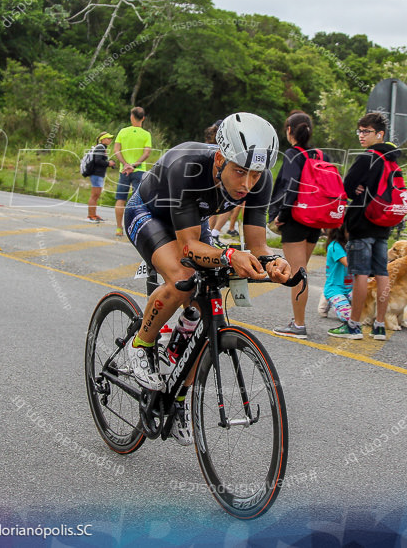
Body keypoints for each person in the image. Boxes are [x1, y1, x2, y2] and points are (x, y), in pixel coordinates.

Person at [122, 112, 291, 445]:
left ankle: (179, 395)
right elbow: (188, 248)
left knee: (206, 306)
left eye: (256, 175)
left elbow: (257, 244)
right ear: (219, 158)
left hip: (189, 220)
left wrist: (273, 262)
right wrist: (230, 255)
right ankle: (141, 344)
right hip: (149, 213)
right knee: (183, 278)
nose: (247, 185)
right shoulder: (186, 164)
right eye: (240, 171)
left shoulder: (259, 180)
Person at [334, 112, 402, 340]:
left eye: (366, 132)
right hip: (383, 223)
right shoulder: (392, 159)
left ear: (379, 134)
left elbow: (347, 186)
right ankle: (380, 325)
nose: (361, 136)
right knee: (382, 273)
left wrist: (357, 190)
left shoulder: (367, 158)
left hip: (362, 223)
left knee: (360, 274)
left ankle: (353, 325)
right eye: (359, 131)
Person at [271, 111, 332, 337]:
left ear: (289, 130)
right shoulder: (320, 155)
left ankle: (298, 324)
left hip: (296, 218)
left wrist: (282, 215)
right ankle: (297, 319)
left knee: (298, 273)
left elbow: (291, 187)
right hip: (316, 218)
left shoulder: (292, 154)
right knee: (301, 270)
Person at [113, 107, 153, 237]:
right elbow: (147, 153)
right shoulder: (146, 134)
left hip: (124, 171)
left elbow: (116, 150)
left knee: (120, 199)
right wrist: (134, 165)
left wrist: (125, 164)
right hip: (139, 170)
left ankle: (119, 228)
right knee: (138, 201)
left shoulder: (123, 132)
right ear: (143, 118)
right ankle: (135, 229)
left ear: (131, 117)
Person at [322, 224, 355, 337]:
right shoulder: (335, 246)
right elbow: (349, 264)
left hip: (349, 288)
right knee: (349, 316)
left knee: (365, 308)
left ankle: (328, 302)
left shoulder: (351, 244)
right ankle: (327, 301)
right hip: (335, 288)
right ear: (341, 232)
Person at [86, 132, 115, 223]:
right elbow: (97, 160)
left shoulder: (102, 147)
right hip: (96, 174)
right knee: (94, 195)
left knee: (96, 195)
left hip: (98, 174)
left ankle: (93, 214)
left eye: (110, 138)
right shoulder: (100, 147)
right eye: (108, 138)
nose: (110, 140)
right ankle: (91, 216)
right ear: (102, 139)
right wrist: (108, 163)